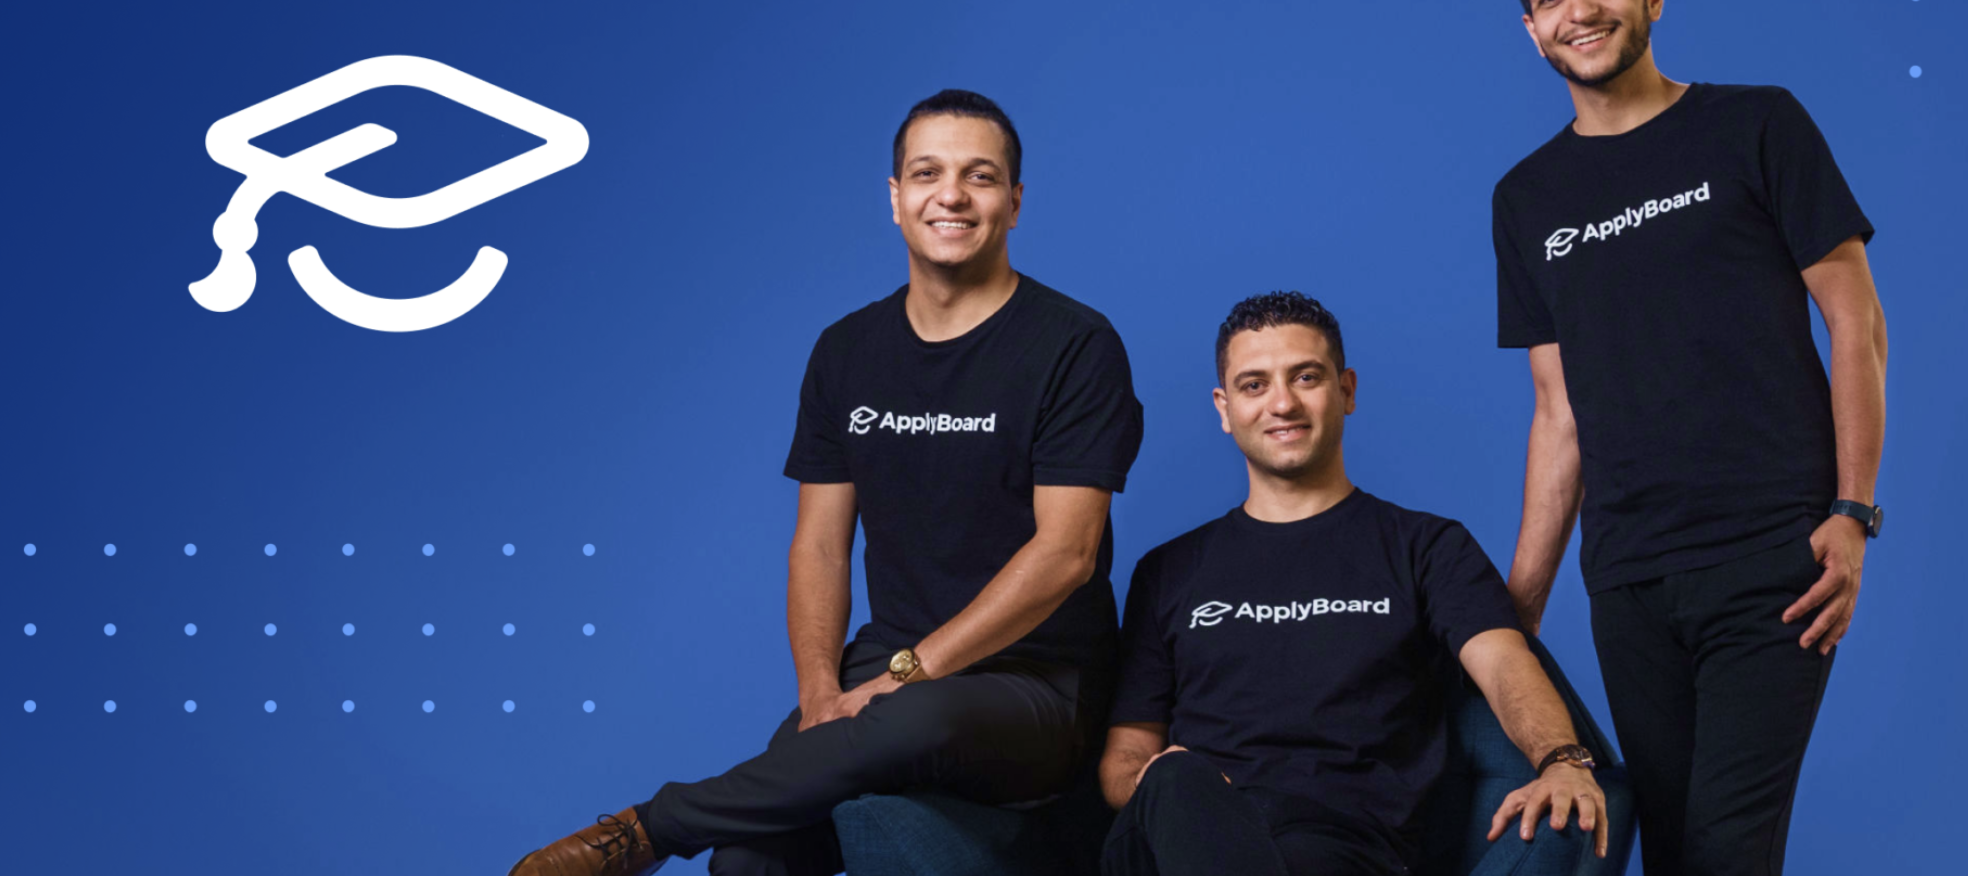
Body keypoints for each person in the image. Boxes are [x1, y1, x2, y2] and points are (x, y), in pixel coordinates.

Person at [509, 89, 1145, 876]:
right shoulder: (846, 350)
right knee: (748, 855)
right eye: (927, 173)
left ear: (1013, 203)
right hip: (883, 672)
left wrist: (910, 674)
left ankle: (646, 828)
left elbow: (1066, 555)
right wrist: (819, 690)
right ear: (895, 199)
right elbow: (817, 545)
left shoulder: (1074, 344)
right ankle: (697, 826)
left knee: (915, 723)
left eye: (979, 177)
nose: (951, 195)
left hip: (1039, 683)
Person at [1490, 0, 1889, 876]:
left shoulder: (1755, 126)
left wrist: (1852, 509)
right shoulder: (1526, 198)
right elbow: (1558, 412)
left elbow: (1856, 324)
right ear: (1530, 28)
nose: (1576, 11)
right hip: (1626, 575)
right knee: (1668, 850)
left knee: (1725, 850)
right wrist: (1515, 612)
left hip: (1772, 556)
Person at [1098, 293, 1610, 876]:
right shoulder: (1169, 569)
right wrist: (1175, 789)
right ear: (1224, 408)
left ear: (1347, 390)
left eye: (1306, 377)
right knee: (1174, 779)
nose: (1282, 403)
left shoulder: (1425, 546)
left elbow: (1503, 662)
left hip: (1344, 846)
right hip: (1181, 833)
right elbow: (1125, 758)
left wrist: (1563, 761)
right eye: (1254, 385)